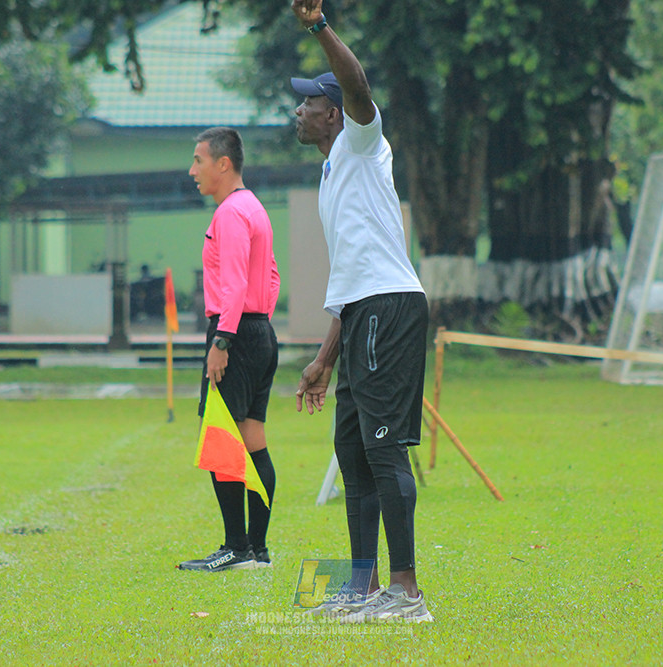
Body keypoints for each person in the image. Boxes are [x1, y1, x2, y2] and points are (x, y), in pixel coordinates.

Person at [290, 0, 433, 623]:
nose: (298, 110)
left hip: (390, 309)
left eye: (306, 102)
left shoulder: (362, 141)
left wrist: (319, 27)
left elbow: (358, 84)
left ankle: (407, 593)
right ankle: (361, 586)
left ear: (331, 113)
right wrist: (324, 359)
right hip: (362, 312)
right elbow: (349, 284)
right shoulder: (330, 172)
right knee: (351, 449)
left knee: (383, 449)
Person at [178, 127, 281, 572]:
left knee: (222, 437)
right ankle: (255, 550)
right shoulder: (254, 207)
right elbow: (271, 278)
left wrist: (223, 340)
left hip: (234, 335)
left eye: (199, 160)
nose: (192, 169)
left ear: (223, 164)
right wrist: (254, 328)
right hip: (259, 332)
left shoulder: (230, 213)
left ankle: (237, 548)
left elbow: (235, 282)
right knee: (252, 436)